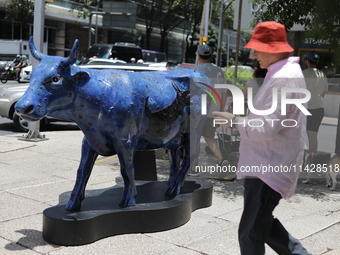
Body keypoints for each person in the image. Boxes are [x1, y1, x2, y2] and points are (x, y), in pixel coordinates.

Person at [212, 21, 311, 255]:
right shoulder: (283, 74)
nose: (253, 53)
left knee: (250, 233)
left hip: (268, 167)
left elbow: (266, 128)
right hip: (268, 164)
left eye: (257, 47)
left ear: (273, 48)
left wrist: (235, 121)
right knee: (262, 227)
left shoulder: (282, 78)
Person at [194, 45, 228, 168]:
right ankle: (221, 160)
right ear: (211, 56)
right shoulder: (219, 71)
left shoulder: (196, 71)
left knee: (195, 139)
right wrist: (221, 111)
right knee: (209, 137)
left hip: (198, 112)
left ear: (198, 56)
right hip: (214, 111)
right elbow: (224, 93)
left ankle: (194, 168)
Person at [303, 52, 328, 156]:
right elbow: (323, 93)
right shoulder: (322, 75)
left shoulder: (303, 74)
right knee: (312, 136)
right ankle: (311, 163)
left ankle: (298, 162)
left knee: (298, 135)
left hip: (305, 108)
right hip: (318, 109)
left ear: (307, 61)